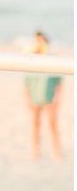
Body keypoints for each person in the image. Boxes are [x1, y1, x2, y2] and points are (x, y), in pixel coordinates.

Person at [23, 31, 63, 159]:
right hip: (35, 97)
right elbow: (26, 83)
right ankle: (36, 151)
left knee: (52, 125)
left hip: (49, 98)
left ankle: (56, 151)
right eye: (36, 41)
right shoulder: (31, 60)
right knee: (35, 125)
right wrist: (28, 99)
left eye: (41, 41)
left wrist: (56, 99)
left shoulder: (51, 60)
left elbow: (58, 82)